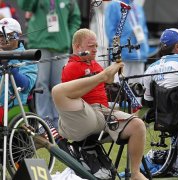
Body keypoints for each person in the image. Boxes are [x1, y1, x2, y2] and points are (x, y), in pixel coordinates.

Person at [52, 28, 147, 180]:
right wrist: (103, 76)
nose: (95, 49)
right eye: (91, 46)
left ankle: (135, 173)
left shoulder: (95, 64)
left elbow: (108, 82)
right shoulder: (71, 67)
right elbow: (74, 94)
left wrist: (113, 72)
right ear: (77, 47)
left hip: (104, 113)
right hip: (84, 114)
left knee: (138, 125)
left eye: (96, 46)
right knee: (58, 91)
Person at [17, 0, 81, 129]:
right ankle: (44, 121)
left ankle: (59, 121)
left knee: (59, 84)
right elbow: (25, 5)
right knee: (41, 83)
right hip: (40, 43)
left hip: (61, 45)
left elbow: (75, 18)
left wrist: (68, 36)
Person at [0, 17, 37, 124]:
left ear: (17, 36)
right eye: (0, 35)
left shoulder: (27, 56)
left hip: (15, 110)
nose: (2, 38)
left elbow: (26, 86)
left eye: (6, 34)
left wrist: (7, 63)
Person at [105, 0, 149, 84]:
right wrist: (120, 49)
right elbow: (110, 32)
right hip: (122, 56)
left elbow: (144, 29)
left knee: (137, 89)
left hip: (139, 55)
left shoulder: (137, 6)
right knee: (119, 88)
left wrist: (145, 48)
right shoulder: (114, 5)